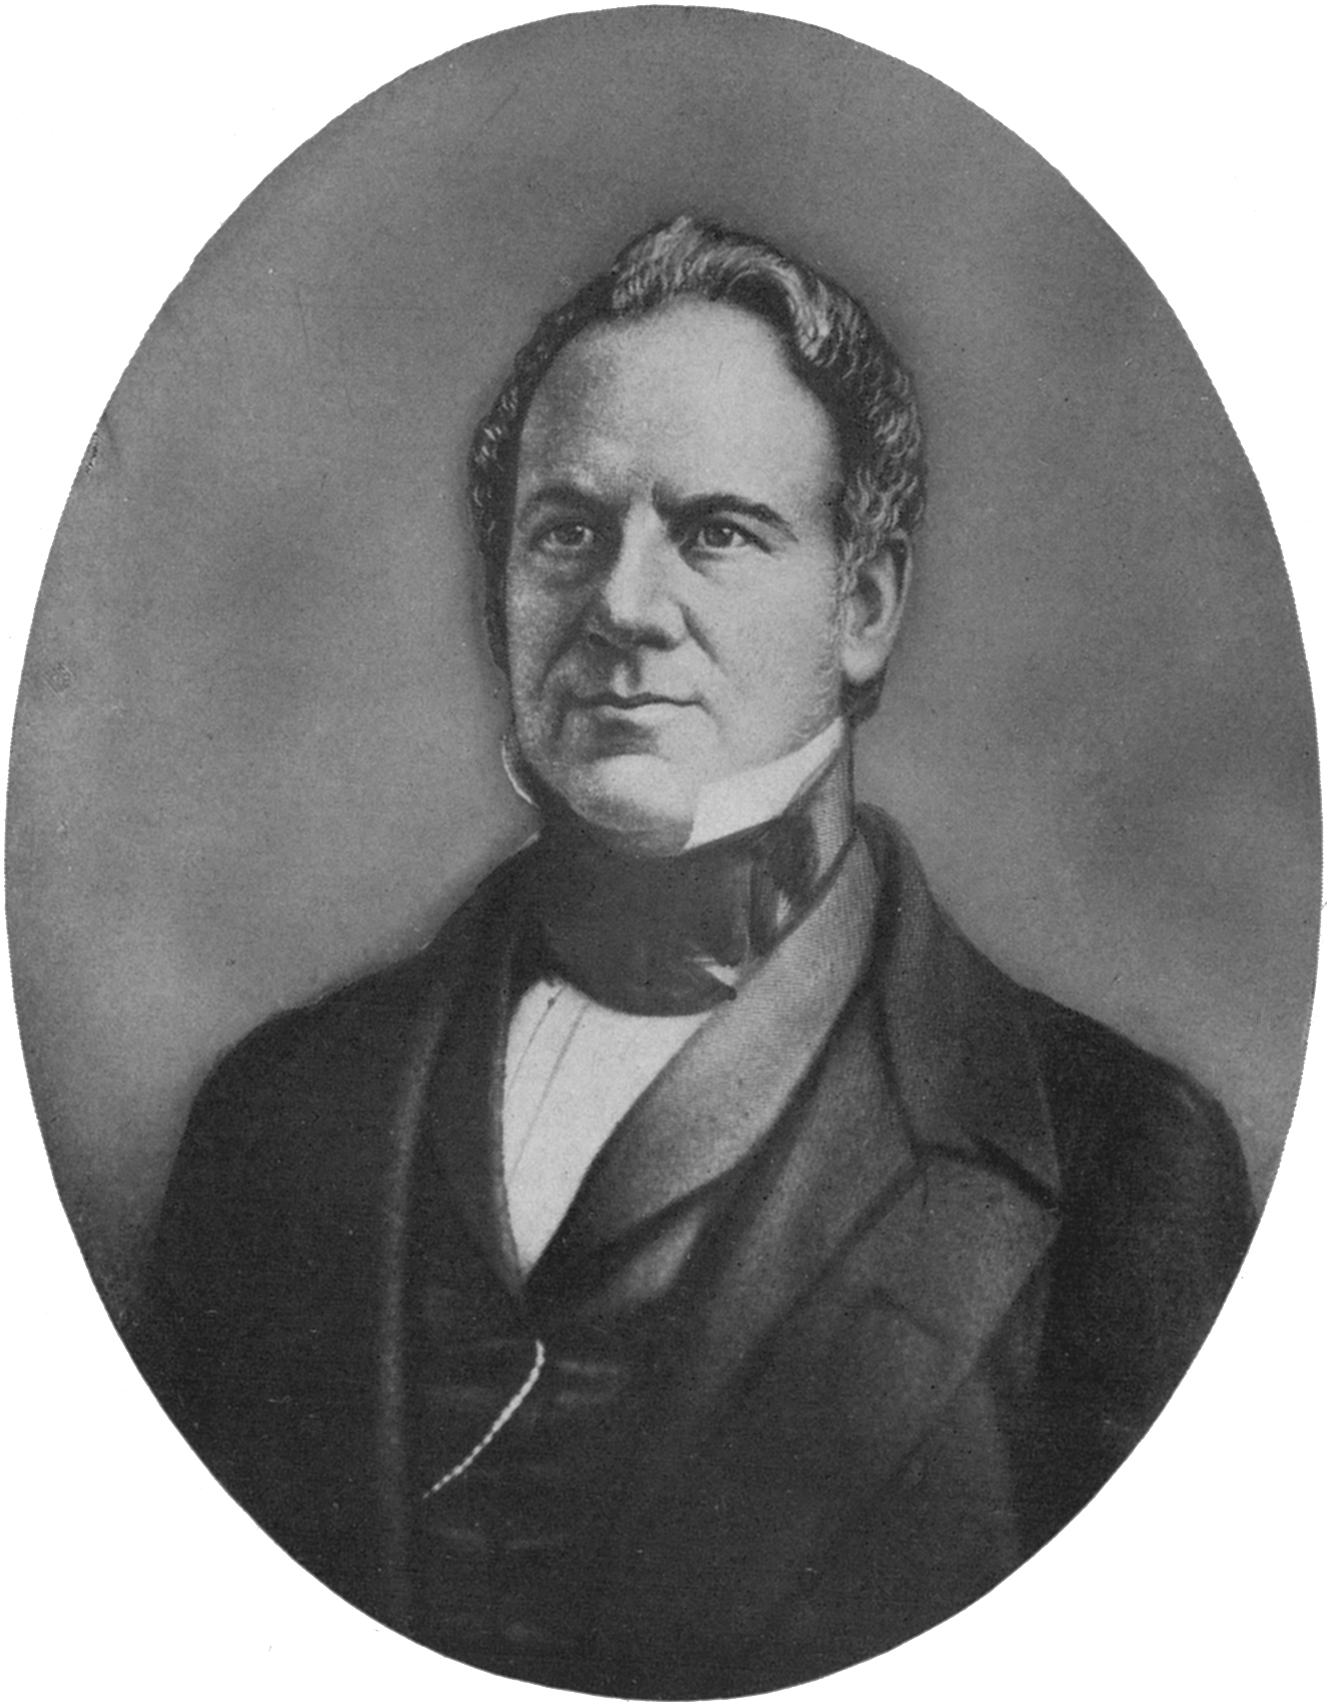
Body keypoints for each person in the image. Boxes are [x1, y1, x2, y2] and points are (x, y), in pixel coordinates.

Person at [143, 216, 1255, 1698]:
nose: (623, 606)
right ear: (499, 590)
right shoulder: (272, 1123)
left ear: (865, 607)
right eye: (567, 531)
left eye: (718, 532)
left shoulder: (1118, 1168)